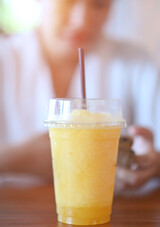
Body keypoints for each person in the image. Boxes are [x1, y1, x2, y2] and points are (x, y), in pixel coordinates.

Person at [0, 0, 160, 193]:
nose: (82, 20)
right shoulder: (5, 60)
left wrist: (153, 164)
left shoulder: (136, 64)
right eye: (68, 1)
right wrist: (17, 159)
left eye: (99, 4)